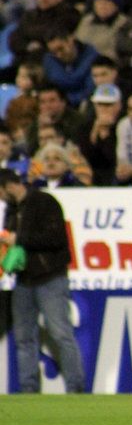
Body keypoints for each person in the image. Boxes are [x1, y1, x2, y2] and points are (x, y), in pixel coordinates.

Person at [0, 168, 84, 393]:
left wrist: (19, 239)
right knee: (24, 337)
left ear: (9, 186)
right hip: (24, 279)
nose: (1, 198)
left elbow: (56, 238)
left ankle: (75, 388)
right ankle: (29, 389)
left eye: (1, 192)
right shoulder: (12, 210)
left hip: (51, 277)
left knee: (61, 333)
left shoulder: (44, 202)